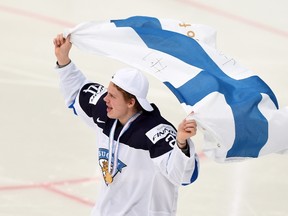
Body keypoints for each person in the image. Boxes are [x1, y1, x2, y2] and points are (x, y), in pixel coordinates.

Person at [53, 34, 199, 216]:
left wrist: (181, 144)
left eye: (113, 96)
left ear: (131, 102)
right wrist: (63, 60)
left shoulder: (157, 133)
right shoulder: (106, 111)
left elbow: (184, 176)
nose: (105, 99)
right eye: (108, 92)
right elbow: (77, 92)